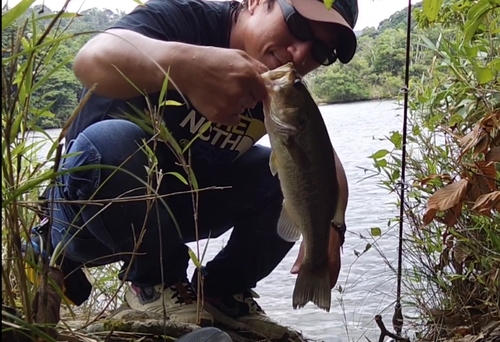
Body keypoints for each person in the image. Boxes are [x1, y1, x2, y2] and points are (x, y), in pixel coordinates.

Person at [48, 0, 357, 336]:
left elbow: (323, 161)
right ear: (256, 2)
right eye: (297, 26)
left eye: (322, 52)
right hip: (89, 214)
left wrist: (333, 225)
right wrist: (187, 65)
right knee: (112, 141)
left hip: (178, 211)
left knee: (280, 183)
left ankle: (221, 293)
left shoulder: (278, 86)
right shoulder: (186, 20)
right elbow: (91, 59)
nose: (299, 53)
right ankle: (152, 282)